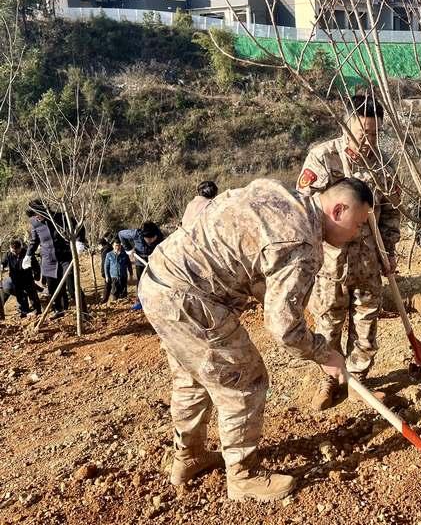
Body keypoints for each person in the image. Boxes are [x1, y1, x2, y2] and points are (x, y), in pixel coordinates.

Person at [139, 177, 372, 502]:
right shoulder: (302, 244)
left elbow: (259, 269)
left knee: (192, 377)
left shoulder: (282, 195)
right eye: (358, 224)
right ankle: (243, 476)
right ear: (338, 210)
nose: (357, 233)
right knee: (243, 378)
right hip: (188, 297)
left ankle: (187, 457)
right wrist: (325, 353)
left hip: (159, 279)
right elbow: (283, 327)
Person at [296, 95, 401, 411]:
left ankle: (358, 380)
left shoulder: (384, 165)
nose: (366, 140)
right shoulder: (322, 158)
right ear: (346, 125)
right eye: (361, 132)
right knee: (328, 322)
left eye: (373, 133)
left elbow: (393, 213)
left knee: (366, 324)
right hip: (329, 262)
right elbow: (305, 209)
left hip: (370, 259)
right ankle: (328, 380)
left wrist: (390, 251)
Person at [26, 200, 87, 319]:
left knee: (72, 285)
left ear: (43, 211)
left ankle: (83, 311)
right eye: (34, 216)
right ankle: (58, 310)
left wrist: (80, 242)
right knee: (53, 287)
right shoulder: (34, 222)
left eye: (38, 214)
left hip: (65, 257)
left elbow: (80, 227)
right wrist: (28, 255)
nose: (37, 218)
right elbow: (34, 240)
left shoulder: (61, 217)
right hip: (48, 259)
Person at [2, 240, 42, 318]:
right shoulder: (7, 254)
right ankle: (24, 311)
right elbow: (3, 262)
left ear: (20, 248)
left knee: (32, 294)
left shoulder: (27, 254)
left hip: (27, 278)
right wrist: (2, 265)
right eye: (13, 251)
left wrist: (37, 276)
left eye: (17, 251)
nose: (15, 253)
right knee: (20, 295)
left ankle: (37, 310)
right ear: (10, 248)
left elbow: (36, 265)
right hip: (15, 278)